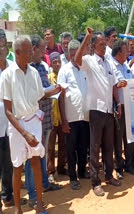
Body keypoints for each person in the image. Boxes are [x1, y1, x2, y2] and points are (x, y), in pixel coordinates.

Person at [0, 35, 58, 214]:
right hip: (17, 126)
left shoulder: (33, 72)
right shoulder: (7, 75)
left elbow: (39, 96)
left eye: (31, 50)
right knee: (17, 167)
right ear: (17, 53)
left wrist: (53, 91)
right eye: (27, 51)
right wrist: (25, 133)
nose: (31, 53)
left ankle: (39, 205)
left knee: (36, 162)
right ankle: (18, 209)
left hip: (34, 122)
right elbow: (8, 111)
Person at [75, 28, 121, 197]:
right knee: (94, 148)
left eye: (104, 44)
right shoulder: (89, 60)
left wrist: (118, 102)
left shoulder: (108, 62)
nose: (104, 46)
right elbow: (76, 59)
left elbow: (114, 83)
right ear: (94, 46)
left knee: (108, 147)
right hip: (96, 110)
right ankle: (96, 183)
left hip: (109, 110)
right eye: (100, 44)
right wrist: (87, 37)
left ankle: (109, 176)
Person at [26, 35, 62, 210]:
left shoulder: (41, 67)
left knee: (43, 154)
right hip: (33, 121)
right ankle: (33, 195)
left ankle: (44, 184)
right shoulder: (27, 69)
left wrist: (53, 90)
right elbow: (36, 94)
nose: (43, 52)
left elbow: (45, 87)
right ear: (32, 49)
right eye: (41, 49)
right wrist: (51, 91)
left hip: (45, 118)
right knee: (31, 157)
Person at [58, 40, 90, 190]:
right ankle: (72, 177)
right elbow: (61, 97)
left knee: (83, 147)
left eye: (76, 54)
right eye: (71, 55)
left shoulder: (85, 68)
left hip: (85, 116)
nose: (74, 57)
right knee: (71, 149)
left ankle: (82, 172)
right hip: (70, 118)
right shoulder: (64, 70)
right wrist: (64, 120)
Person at [111, 40, 134, 179]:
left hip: (129, 106)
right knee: (118, 138)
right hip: (119, 106)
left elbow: (132, 81)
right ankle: (119, 167)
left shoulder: (126, 65)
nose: (128, 52)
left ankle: (129, 164)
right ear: (119, 53)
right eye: (126, 50)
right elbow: (111, 85)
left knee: (130, 137)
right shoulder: (111, 66)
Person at [47, 52, 67, 182]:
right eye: (55, 62)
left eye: (59, 61)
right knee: (50, 145)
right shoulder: (49, 77)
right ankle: (50, 171)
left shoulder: (63, 76)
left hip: (62, 116)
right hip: (51, 116)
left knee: (63, 144)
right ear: (51, 63)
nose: (57, 64)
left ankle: (61, 167)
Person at [0, 45, 15, 212]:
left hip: (11, 122)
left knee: (9, 162)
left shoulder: (12, 67)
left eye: (1, 45)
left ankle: (8, 196)